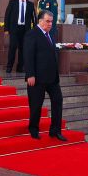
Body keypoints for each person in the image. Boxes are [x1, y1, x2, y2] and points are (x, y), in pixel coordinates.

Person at [24, 10, 66, 141]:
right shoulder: (32, 34)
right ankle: (34, 129)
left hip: (52, 77)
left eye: (51, 22)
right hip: (37, 77)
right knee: (36, 105)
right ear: (40, 21)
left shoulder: (50, 34)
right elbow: (28, 55)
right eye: (47, 21)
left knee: (58, 101)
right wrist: (30, 74)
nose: (50, 24)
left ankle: (55, 131)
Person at [3, 0, 35, 74]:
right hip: (14, 29)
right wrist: (6, 29)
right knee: (13, 48)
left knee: (23, 49)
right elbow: (7, 16)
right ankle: (9, 67)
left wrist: (34, 30)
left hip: (25, 30)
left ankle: (20, 67)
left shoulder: (30, 4)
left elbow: (34, 19)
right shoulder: (12, 3)